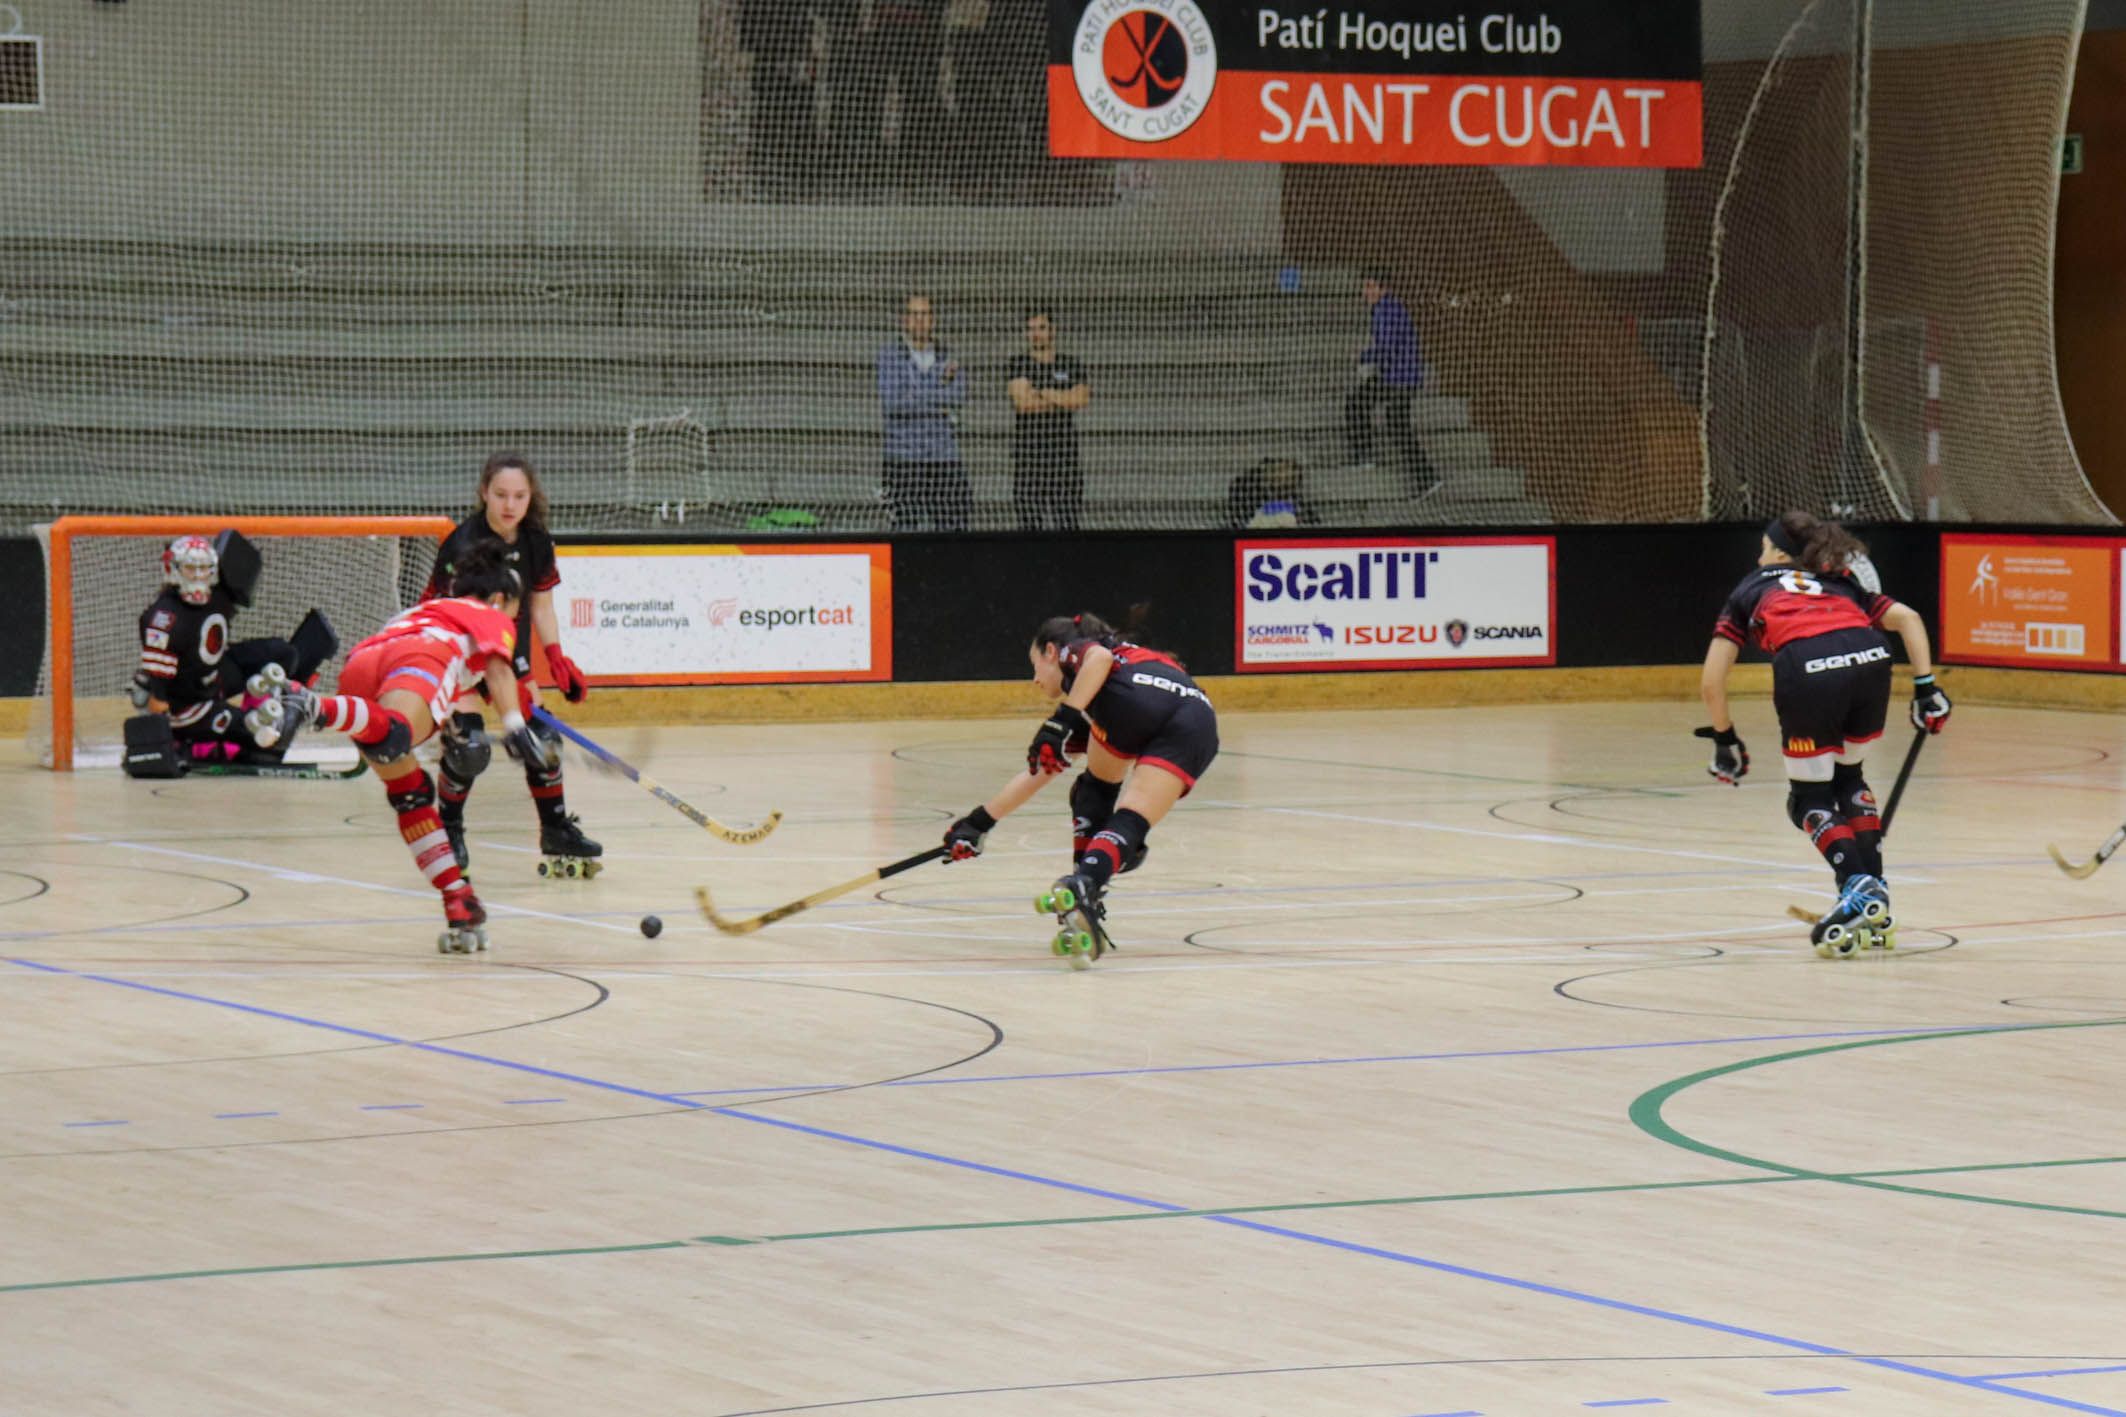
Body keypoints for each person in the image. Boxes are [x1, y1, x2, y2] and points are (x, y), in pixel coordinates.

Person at [266, 544, 555, 952]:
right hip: (421, 658)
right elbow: (497, 667)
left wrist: (453, 725)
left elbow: (451, 684)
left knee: (410, 790)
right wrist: (515, 727)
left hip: (363, 665)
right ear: (499, 599)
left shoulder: (429, 610)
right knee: (398, 734)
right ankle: (311, 704)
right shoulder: (490, 613)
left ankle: (459, 899)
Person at [1697, 511, 1953, 957]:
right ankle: (1874, 895)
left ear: (1778, 553)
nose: (1759, 556)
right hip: (1872, 657)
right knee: (1849, 779)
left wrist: (1725, 740)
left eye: (1763, 547)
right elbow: (1908, 618)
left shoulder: (1749, 590)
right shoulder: (1839, 580)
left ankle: (1859, 887)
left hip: (1808, 664)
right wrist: (1926, 689)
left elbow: (1711, 681)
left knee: (1809, 799)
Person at [939, 611, 1219, 963]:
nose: (1035, 679)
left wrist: (1061, 721)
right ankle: (1086, 881)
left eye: (1035, 664)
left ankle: (1086, 879)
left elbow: (1098, 659)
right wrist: (978, 822)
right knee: (1127, 816)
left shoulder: (1089, 653)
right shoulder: (1107, 686)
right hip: (1196, 718)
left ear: (1053, 652)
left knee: (1097, 792)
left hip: (1138, 702)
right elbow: (1041, 770)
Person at [424, 454, 599, 878]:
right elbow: (454, 619)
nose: (509, 504)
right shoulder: (462, 546)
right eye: (500, 495)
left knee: (542, 738)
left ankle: (555, 828)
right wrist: (494, 679)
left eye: (520, 496)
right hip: (459, 652)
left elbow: (541, 605)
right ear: (484, 492)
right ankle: (448, 827)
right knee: (467, 749)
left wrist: (555, 656)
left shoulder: (536, 540)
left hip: (506, 649)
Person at [124, 531, 336, 778]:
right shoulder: (164, 619)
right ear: (173, 570)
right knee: (260, 738)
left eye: (204, 569)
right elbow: (158, 692)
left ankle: (278, 706)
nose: (199, 577)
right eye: (191, 570)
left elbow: (240, 563)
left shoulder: (218, 596)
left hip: (216, 677)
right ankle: (205, 744)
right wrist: (160, 741)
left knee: (283, 653)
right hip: (189, 706)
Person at [877, 293, 971, 531]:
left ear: (933, 319)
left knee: (954, 529)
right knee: (904, 531)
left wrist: (915, 394)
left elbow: (957, 397)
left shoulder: (947, 355)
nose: (919, 320)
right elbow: (893, 403)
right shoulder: (890, 356)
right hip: (902, 458)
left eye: (925, 314)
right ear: (904, 320)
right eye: (914, 314)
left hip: (943, 457)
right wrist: (938, 392)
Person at [1344, 271, 1438, 498]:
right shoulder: (1390, 308)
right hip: (1400, 376)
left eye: (1369, 286)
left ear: (1382, 288)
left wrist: (1363, 358)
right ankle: (1426, 478)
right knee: (1390, 420)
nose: (1364, 292)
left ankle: (1365, 457)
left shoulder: (1385, 310)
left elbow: (1387, 347)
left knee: (1362, 407)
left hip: (1398, 377)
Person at [1004, 306, 1091, 531]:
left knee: (1068, 526)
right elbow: (1023, 403)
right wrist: (1061, 397)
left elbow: (1080, 399)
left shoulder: (1071, 364)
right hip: (1030, 460)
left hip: (1064, 460)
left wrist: (1043, 391)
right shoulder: (1018, 364)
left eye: (1041, 328)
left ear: (1053, 330)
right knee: (1030, 528)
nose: (1036, 334)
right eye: (1031, 329)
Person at [1225, 456, 1318, 529]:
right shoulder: (1248, 493)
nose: (1290, 474)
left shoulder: (1297, 501)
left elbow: (1311, 522)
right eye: (1281, 469)